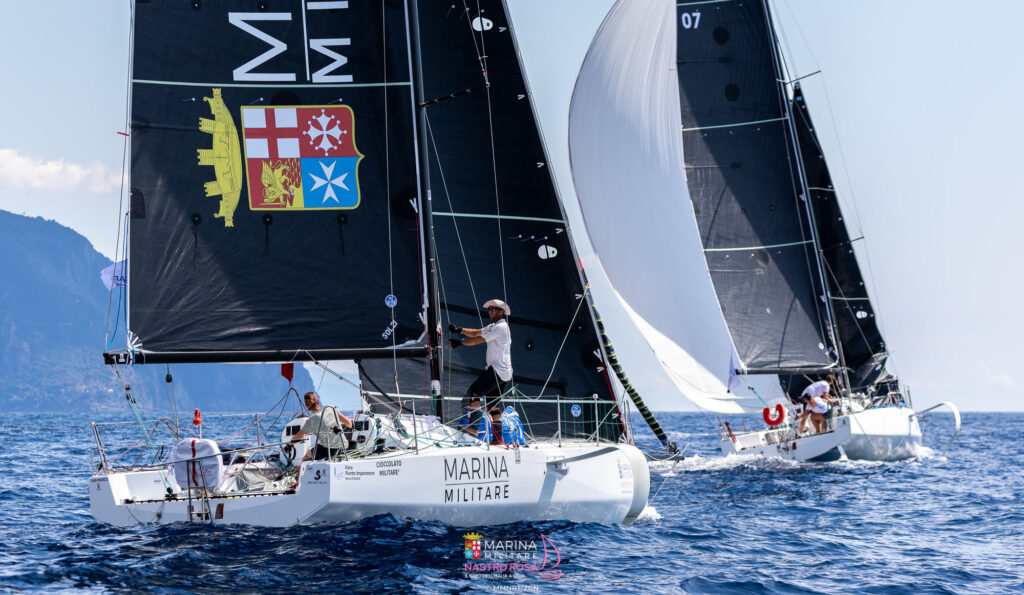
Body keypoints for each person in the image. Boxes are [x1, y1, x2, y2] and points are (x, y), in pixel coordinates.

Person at [449, 299, 513, 411]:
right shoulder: (493, 326)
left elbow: (477, 340)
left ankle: (473, 427)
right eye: (489, 309)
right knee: (493, 407)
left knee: (474, 392)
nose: (490, 311)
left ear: (501, 311)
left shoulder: (500, 327)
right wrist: (460, 330)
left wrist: (459, 342)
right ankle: (496, 429)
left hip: (498, 370)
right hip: (505, 373)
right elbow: (476, 332)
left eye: (493, 309)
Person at [287, 391, 353, 461]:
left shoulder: (312, 420)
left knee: (306, 458)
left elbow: (299, 436)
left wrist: (289, 445)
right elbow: (349, 424)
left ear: (307, 405)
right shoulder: (331, 409)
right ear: (317, 401)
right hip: (344, 446)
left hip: (329, 450)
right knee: (312, 450)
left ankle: (300, 471)